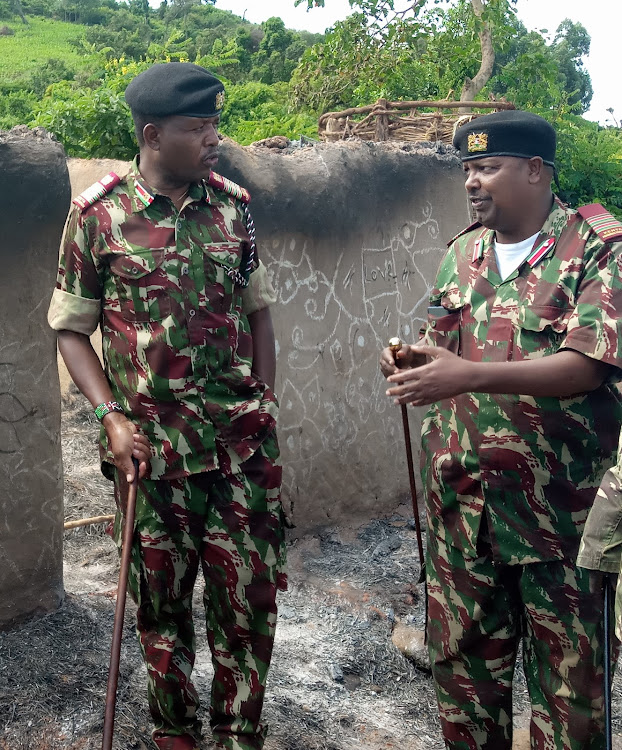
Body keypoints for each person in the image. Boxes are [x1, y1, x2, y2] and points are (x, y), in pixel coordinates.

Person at [48, 62, 286, 750]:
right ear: (154, 134)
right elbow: (70, 327)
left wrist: (264, 402)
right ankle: (173, 731)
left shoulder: (233, 206)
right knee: (162, 606)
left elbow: (258, 312)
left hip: (241, 447)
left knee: (249, 599)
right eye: (199, 126)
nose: (215, 137)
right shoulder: (97, 216)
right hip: (151, 456)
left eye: (216, 123)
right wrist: (109, 418)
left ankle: (240, 732)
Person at [379, 110, 622, 750]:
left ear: (537, 172)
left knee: (570, 703)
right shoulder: (462, 252)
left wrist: (465, 376)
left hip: (558, 519)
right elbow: (443, 344)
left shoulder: (598, 249)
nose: (472, 183)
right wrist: (414, 362)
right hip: (464, 510)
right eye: (467, 170)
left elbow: (589, 366)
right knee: (464, 689)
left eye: (488, 167)